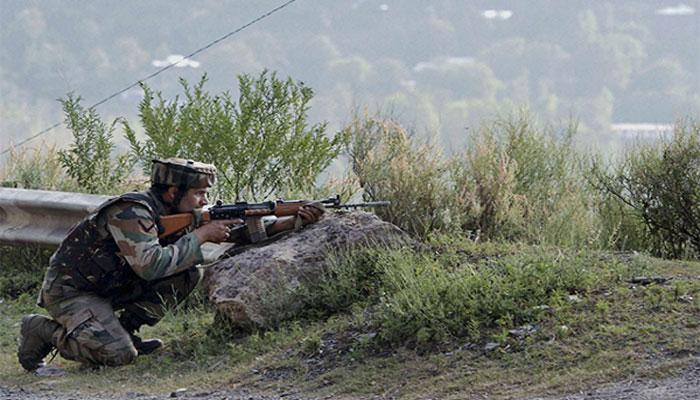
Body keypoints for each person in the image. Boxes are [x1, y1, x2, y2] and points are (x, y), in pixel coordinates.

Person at [17, 158, 324, 370]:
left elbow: (237, 232)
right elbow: (150, 266)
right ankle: (42, 330)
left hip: (113, 285)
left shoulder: (181, 213)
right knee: (118, 356)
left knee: (188, 273)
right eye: (199, 193)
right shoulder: (131, 211)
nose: (204, 201)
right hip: (74, 291)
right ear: (174, 192)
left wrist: (287, 222)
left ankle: (125, 330)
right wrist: (203, 235)